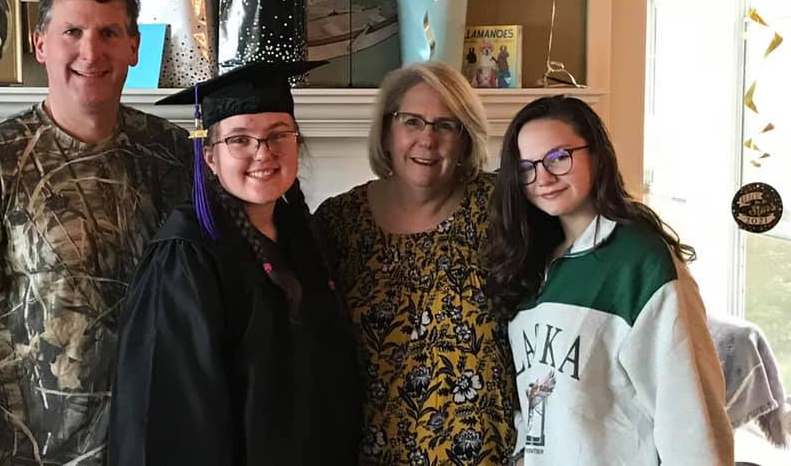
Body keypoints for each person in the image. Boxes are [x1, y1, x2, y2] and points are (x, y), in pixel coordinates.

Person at [0, 0, 192, 465]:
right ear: (40, 43)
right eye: (72, 32)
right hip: (21, 452)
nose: (91, 52)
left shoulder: (174, 154)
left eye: (109, 33)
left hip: (147, 443)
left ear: (134, 46)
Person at [109, 61, 362, 465]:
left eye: (279, 134)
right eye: (239, 139)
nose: (263, 152)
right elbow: (172, 418)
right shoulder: (187, 256)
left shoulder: (305, 239)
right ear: (210, 157)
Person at [487, 95, 733, 465]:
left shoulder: (641, 262)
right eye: (526, 167)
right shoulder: (531, 265)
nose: (543, 177)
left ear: (597, 155)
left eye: (558, 157)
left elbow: (689, 418)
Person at [314, 61, 517, 464]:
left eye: (446, 125)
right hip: (368, 452)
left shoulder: (504, 209)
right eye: (412, 122)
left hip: (484, 455)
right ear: (388, 132)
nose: (427, 139)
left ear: (464, 140)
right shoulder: (338, 221)